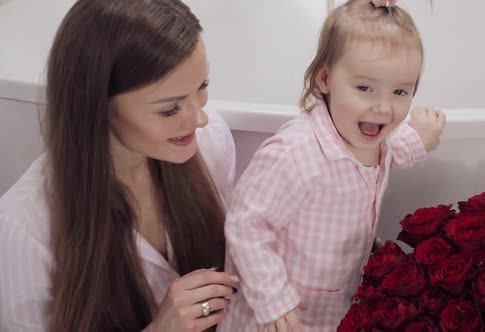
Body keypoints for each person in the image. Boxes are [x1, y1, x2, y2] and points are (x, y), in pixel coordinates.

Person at [0, 0, 238, 331]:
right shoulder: (21, 232)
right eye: (170, 109)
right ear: (97, 107)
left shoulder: (210, 142)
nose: (200, 117)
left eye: (202, 87)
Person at [218, 0, 446, 331]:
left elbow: (382, 157)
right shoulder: (295, 154)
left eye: (400, 91)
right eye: (365, 88)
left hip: (333, 308)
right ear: (325, 78)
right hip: (279, 316)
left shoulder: (367, 139)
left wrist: (418, 139)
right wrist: (272, 300)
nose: (383, 107)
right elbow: (246, 224)